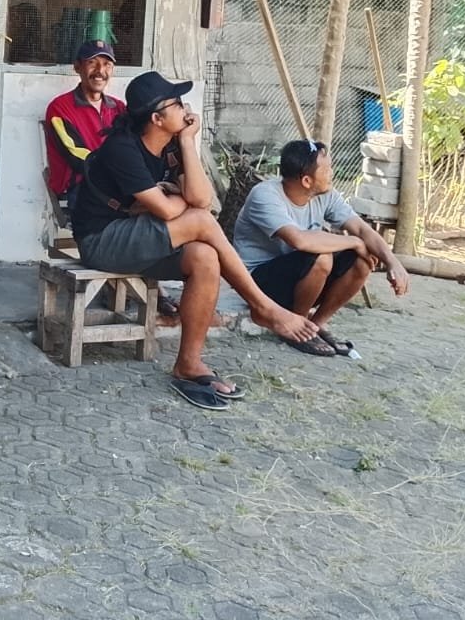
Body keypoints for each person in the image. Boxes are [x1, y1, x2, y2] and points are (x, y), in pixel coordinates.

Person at [71, 71, 321, 411]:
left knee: (205, 256)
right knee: (200, 222)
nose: (186, 108)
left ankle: (188, 363)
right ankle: (263, 306)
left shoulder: (173, 145)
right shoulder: (123, 149)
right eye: (177, 103)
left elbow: (201, 199)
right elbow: (170, 210)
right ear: (157, 118)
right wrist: (176, 200)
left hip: (140, 236)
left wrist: (188, 143)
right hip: (102, 241)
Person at [232, 139, 410, 358]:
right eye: (326, 169)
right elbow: (299, 241)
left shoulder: (325, 195)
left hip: (301, 279)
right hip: (258, 283)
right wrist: (356, 242)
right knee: (322, 256)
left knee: (363, 259)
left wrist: (393, 262)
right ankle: (297, 326)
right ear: (307, 181)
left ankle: (316, 325)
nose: (332, 173)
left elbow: (362, 229)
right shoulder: (265, 195)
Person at [44, 40, 126, 210]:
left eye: (107, 64)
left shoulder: (118, 107)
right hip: (80, 187)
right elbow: (77, 156)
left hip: (116, 181)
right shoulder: (59, 108)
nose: (100, 71)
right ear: (77, 67)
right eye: (92, 63)